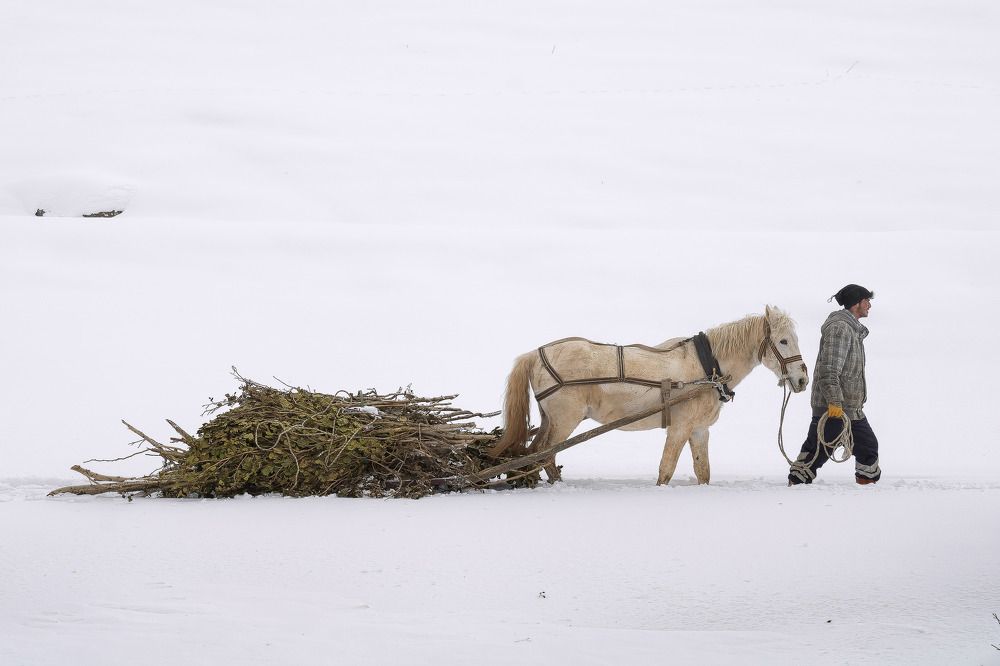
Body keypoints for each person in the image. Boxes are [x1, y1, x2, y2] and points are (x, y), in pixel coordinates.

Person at [788, 284, 881, 485]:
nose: (870, 306)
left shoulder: (851, 329)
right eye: (867, 301)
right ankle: (794, 492)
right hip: (835, 408)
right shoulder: (840, 328)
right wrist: (835, 403)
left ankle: (867, 494)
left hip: (850, 409)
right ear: (857, 303)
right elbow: (829, 369)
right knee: (816, 453)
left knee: (867, 448)